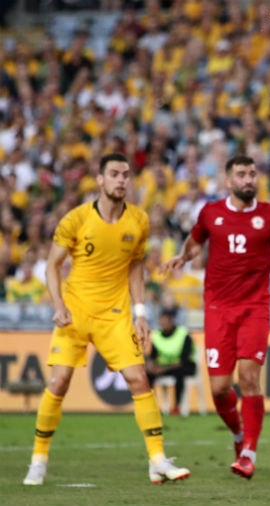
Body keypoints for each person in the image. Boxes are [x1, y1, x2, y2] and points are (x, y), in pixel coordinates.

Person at [23, 152, 189, 486]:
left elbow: (136, 266)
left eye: (126, 175)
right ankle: (38, 460)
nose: (121, 180)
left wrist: (140, 314)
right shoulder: (76, 219)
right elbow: (53, 265)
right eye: (114, 174)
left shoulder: (139, 221)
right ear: (100, 180)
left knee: (140, 380)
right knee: (59, 383)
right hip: (75, 313)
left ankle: (157, 460)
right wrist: (57, 304)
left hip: (115, 315)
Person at [163, 155, 270, 480]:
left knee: (249, 377)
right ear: (228, 181)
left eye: (252, 174)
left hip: (254, 307)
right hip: (218, 309)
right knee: (220, 388)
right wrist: (184, 254)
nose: (249, 179)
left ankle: (249, 451)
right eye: (241, 174)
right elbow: (196, 238)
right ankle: (238, 433)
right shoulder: (211, 213)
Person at [145, 306, 197, 417]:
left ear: (171, 321)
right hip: (165, 367)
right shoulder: (157, 336)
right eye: (161, 321)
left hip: (186, 366)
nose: (162, 323)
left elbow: (184, 360)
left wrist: (162, 368)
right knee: (149, 374)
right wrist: (151, 366)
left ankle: (176, 406)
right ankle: (150, 406)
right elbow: (153, 356)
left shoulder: (183, 335)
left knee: (180, 374)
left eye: (165, 321)